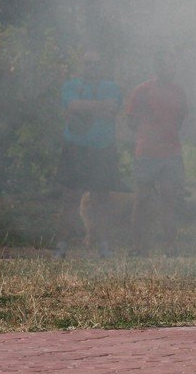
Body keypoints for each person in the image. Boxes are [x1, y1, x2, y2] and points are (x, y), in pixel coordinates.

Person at [53, 49, 124, 258]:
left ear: (102, 65)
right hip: (75, 149)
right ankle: (61, 247)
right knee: (70, 199)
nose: (92, 67)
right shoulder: (70, 85)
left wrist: (83, 108)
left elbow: (112, 111)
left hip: (103, 149)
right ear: (81, 65)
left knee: (102, 199)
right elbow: (72, 105)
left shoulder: (112, 87)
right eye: (87, 63)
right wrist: (98, 107)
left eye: (96, 63)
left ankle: (104, 247)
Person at [124, 49, 189, 255]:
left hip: (171, 153)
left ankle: (170, 245)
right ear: (157, 67)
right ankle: (137, 246)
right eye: (165, 65)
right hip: (146, 153)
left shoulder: (179, 92)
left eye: (172, 65)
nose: (170, 69)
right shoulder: (142, 90)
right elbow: (131, 120)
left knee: (169, 199)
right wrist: (149, 133)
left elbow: (180, 119)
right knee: (141, 200)